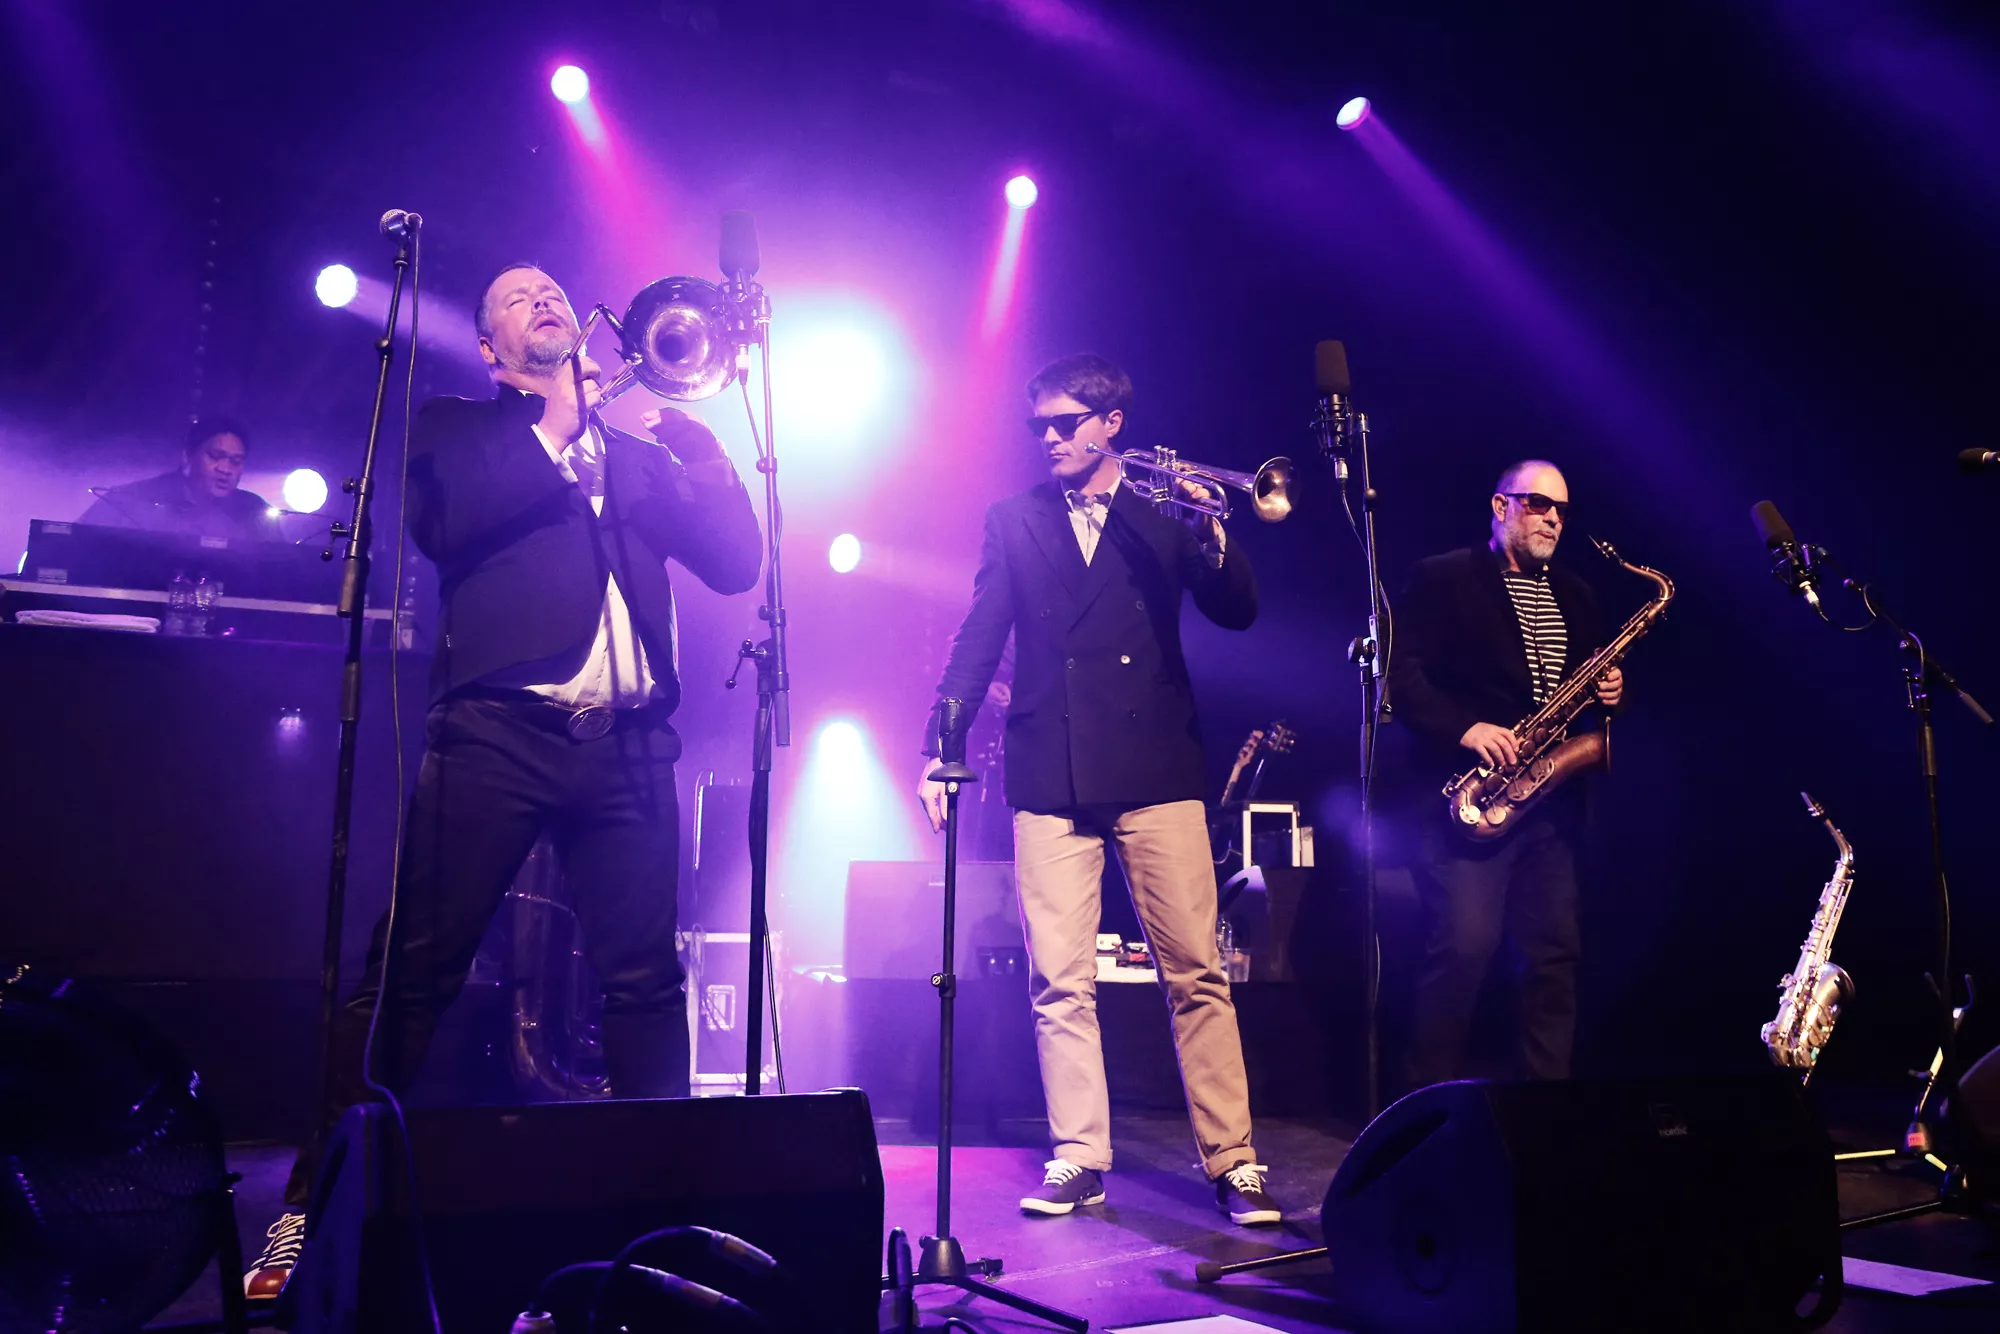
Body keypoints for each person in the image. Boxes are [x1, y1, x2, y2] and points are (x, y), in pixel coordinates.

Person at [244, 263, 762, 1296]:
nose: (546, 300)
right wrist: (559, 423)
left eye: (554, 290)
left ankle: (658, 1226)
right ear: (490, 348)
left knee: (644, 984)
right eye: (518, 298)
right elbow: (445, 525)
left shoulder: (637, 453)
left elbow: (736, 565)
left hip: (627, 743)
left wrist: (708, 464)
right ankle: (311, 1202)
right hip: (496, 733)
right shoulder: (458, 428)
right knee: (413, 972)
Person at [916, 353, 1283, 1227]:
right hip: (1052, 768)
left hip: (1156, 768)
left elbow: (1236, 610)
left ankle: (1234, 1162)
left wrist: (1213, 528)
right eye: (1039, 425)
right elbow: (978, 637)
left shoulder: (1163, 514)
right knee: (1060, 979)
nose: (1049, 437)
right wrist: (940, 747)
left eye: (1066, 422)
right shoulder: (1013, 519)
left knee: (1195, 971)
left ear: (1112, 424)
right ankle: (1080, 1156)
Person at [1386, 459, 1624, 1092]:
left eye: (1562, 510)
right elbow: (1398, 673)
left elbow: (1583, 691)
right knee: (1463, 950)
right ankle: (1423, 1107)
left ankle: (1545, 1111)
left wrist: (1610, 692)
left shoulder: (1576, 593)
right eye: (1539, 504)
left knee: (1554, 958)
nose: (1553, 519)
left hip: (1550, 804)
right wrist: (1466, 728)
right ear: (1500, 507)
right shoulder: (1442, 578)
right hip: (1471, 797)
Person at [79, 416, 285, 543]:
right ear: (187, 456)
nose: (225, 469)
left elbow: (282, 569)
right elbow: (79, 545)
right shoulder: (129, 501)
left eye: (236, 461)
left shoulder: (254, 511)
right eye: (215, 456)